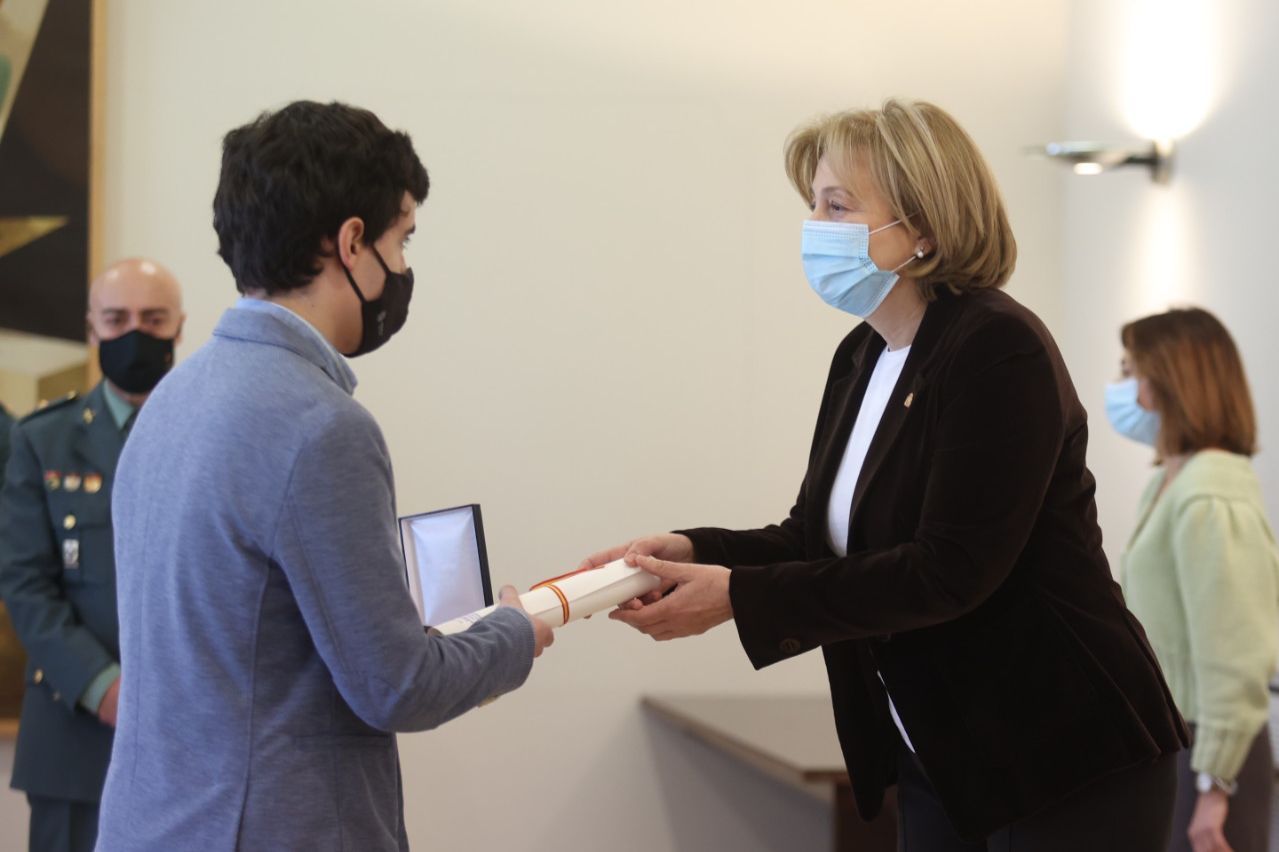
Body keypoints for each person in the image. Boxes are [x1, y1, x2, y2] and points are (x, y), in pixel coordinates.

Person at [581, 99, 1189, 850]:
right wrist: (697, 553)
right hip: (941, 749)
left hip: (1061, 751)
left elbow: (950, 571)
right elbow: (816, 536)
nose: (815, 227)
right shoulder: (863, 354)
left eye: (838, 205)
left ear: (923, 228)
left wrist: (738, 597)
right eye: (812, 204)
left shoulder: (998, 349)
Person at [94, 101, 553, 852]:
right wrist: (516, 632)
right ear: (350, 242)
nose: (403, 268)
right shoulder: (321, 425)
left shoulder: (174, 394)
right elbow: (398, 686)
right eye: (402, 241)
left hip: (152, 822)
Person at [0, 258, 184, 852]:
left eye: (153, 318)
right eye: (116, 318)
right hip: (73, 736)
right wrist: (104, 688)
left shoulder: (213, 435)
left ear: (179, 326)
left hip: (189, 735)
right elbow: (25, 584)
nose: (135, 332)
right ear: (91, 327)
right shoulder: (41, 439)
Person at [1107, 307, 1279, 852]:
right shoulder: (1170, 482)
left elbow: (1234, 653)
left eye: (1130, 370)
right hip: (1174, 741)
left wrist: (1214, 786)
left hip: (1211, 754)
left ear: (1170, 380)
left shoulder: (1210, 492)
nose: (1120, 387)